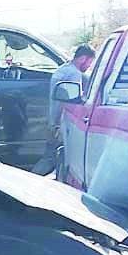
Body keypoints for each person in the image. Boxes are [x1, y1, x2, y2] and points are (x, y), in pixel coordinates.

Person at [43, 44, 96, 173]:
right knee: (53, 160)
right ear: (83, 58)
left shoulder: (64, 69)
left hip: (52, 120)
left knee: (50, 157)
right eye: (89, 62)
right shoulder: (74, 74)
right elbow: (69, 101)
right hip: (61, 123)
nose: (89, 66)